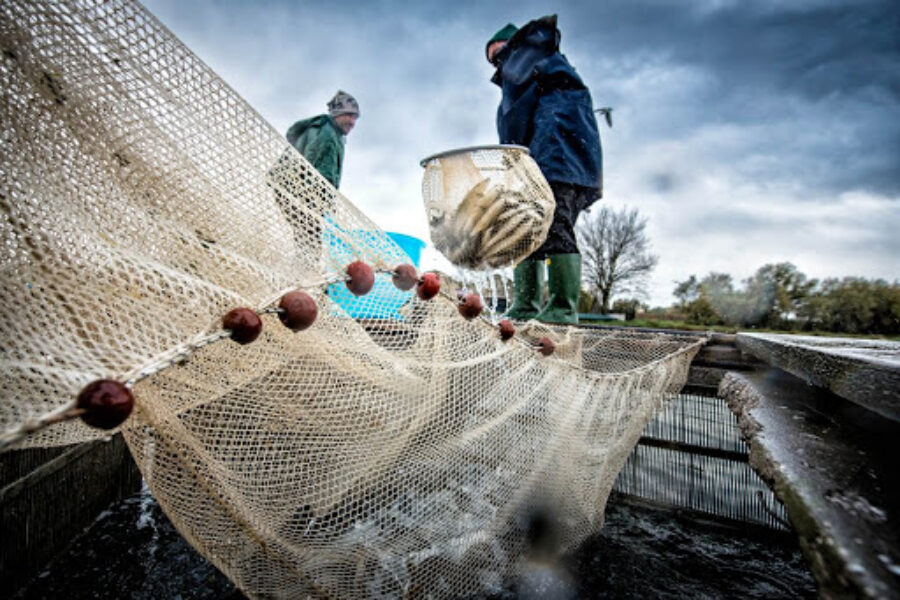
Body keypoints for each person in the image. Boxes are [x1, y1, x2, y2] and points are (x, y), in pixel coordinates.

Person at [486, 16, 603, 324]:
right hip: (544, 161)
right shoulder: (526, 80)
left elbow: (515, 129)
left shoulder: (536, 63)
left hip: (559, 159)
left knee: (555, 225)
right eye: (493, 61)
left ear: (517, 46)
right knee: (525, 229)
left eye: (500, 55)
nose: (498, 65)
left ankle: (563, 309)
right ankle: (526, 305)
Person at [285, 90, 360, 189]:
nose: (352, 122)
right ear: (338, 113)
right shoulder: (327, 134)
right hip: (296, 189)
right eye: (349, 116)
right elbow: (319, 175)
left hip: (288, 185)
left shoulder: (324, 127)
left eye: (355, 118)